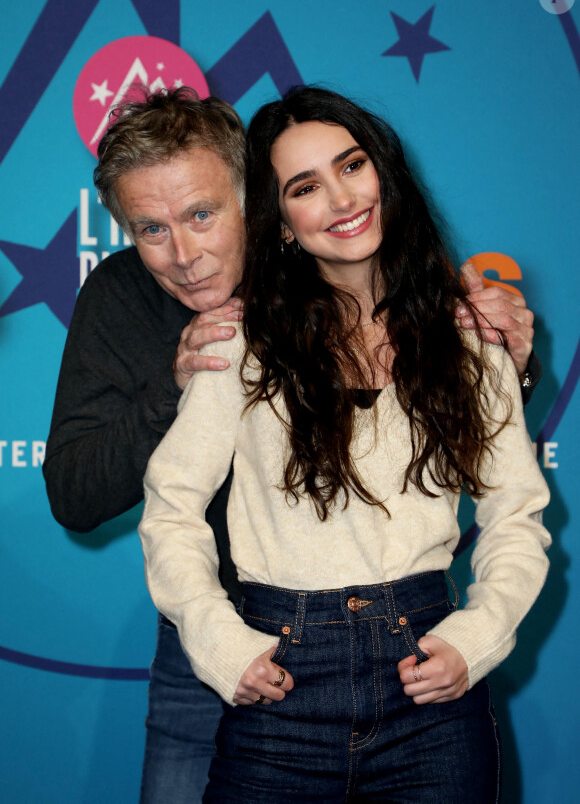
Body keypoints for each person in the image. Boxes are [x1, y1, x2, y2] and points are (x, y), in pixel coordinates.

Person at [44, 87, 540, 803]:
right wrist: (175, 384)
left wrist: (506, 362)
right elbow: (88, 492)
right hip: (225, 624)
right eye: (150, 229)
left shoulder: (379, 279)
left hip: (413, 646)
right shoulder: (154, 311)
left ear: (254, 203)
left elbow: (477, 473)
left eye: (203, 214)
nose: (184, 253)